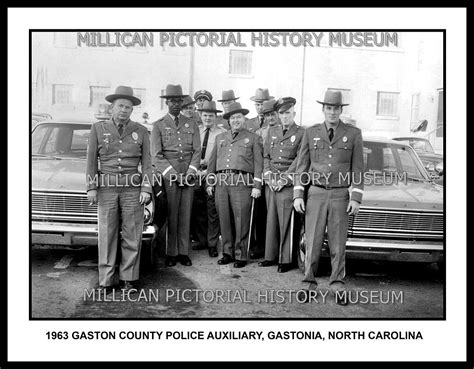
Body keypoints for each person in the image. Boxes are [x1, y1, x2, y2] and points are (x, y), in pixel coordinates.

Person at [293, 90, 364, 305]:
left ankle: (337, 285)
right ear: (323, 109)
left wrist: (356, 197)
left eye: (336, 108)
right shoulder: (311, 132)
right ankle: (308, 283)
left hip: (340, 195)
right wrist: (298, 194)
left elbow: (358, 168)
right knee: (312, 241)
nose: (332, 112)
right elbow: (301, 166)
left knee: (338, 243)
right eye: (329, 108)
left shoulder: (353, 134)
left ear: (341, 110)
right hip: (315, 193)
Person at [86, 85, 152, 293]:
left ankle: (129, 279)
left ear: (132, 111)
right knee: (107, 233)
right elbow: (91, 160)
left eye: (128, 107)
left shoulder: (141, 131)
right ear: (111, 108)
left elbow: (147, 162)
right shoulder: (98, 129)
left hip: (133, 189)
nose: (124, 110)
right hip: (107, 188)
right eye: (121, 106)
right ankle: (106, 280)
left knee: (132, 232)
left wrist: (146, 188)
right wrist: (91, 187)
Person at [206, 102, 263, 268]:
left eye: (239, 117)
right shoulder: (220, 138)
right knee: (224, 219)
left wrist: (257, 186)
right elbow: (212, 163)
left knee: (242, 220)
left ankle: (241, 255)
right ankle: (227, 253)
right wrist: (210, 182)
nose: (236, 120)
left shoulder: (253, 138)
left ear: (243, 119)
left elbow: (259, 164)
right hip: (221, 182)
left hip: (243, 183)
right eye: (232, 118)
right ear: (228, 121)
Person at [151, 84, 201, 267]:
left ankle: (183, 252)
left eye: (179, 101)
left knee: (186, 213)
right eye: (172, 101)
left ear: (182, 102)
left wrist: (190, 172)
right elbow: (156, 155)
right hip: (169, 175)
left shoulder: (192, 124)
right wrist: (173, 175)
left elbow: (197, 151)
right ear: (167, 103)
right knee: (171, 214)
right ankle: (171, 252)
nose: (175, 104)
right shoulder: (158, 125)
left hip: (188, 174)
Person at [259, 97, 305, 273]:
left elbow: (299, 160)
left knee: (286, 220)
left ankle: (285, 259)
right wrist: (268, 176)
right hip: (271, 182)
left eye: (287, 113)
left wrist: (284, 179)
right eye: (281, 113)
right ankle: (270, 256)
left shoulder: (301, 133)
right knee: (271, 219)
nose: (284, 117)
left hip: (287, 183)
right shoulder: (272, 131)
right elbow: (266, 156)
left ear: (294, 113)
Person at [190, 101, 226, 257]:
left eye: (211, 115)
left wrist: (209, 172)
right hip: (196, 174)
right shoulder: (196, 131)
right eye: (205, 115)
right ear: (200, 116)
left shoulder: (222, 133)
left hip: (212, 175)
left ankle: (212, 243)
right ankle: (200, 240)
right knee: (198, 208)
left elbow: (223, 157)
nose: (208, 118)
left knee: (212, 209)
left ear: (216, 117)